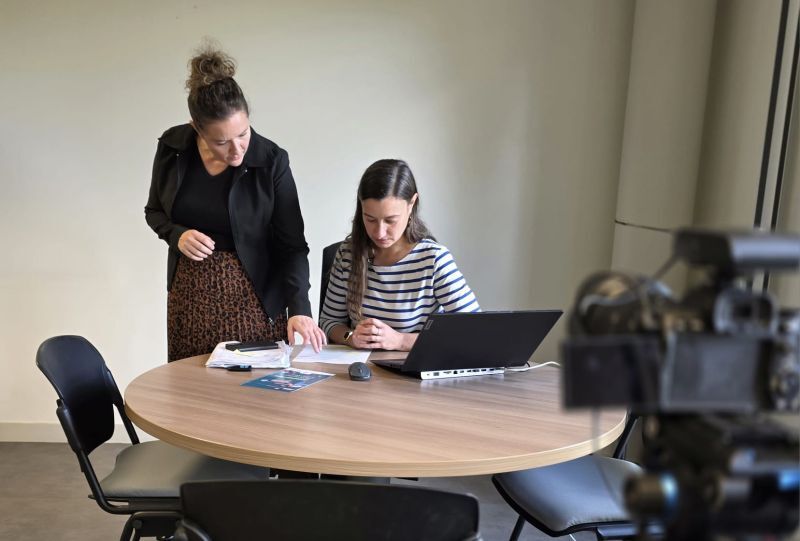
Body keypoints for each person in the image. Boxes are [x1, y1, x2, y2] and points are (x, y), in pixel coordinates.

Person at [145, 45, 325, 361]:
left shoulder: (271, 161)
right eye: (221, 141)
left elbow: (293, 245)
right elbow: (154, 212)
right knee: (193, 394)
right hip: (189, 297)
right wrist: (178, 235)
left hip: (255, 298)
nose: (237, 149)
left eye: (243, 134)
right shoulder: (172, 147)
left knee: (257, 399)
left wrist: (300, 309)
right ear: (196, 128)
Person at [319, 159, 479, 350]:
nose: (379, 232)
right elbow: (329, 321)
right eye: (370, 219)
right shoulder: (348, 253)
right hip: (359, 369)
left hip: (412, 374)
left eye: (390, 220)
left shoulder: (434, 260)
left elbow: (473, 330)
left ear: (411, 204)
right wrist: (351, 337)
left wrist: (400, 341)